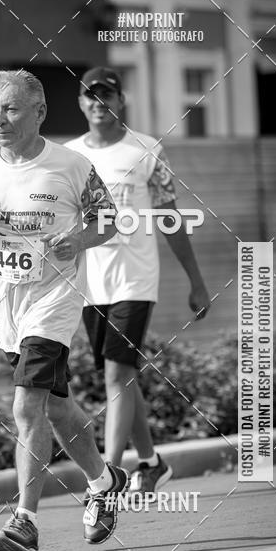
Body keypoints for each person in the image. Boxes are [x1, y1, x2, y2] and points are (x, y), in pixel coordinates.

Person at [0, 69, 128, 551]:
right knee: (54, 407)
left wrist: (79, 238)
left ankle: (25, 520)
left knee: (26, 406)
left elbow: (108, 220)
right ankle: (104, 479)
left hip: (56, 297)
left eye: (11, 109)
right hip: (6, 300)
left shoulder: (71, 165)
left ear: (39, 112)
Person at [66, 67, 211, 495]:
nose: (98, 102)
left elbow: (171, 217)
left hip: (136, 280)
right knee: (123, 377)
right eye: (90, 95)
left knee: (116, 374)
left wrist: (196, 282)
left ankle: (108, 477)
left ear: (120, 99)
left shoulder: (148, 150)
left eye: (106, 94)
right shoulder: (70, 156)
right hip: (92, 284)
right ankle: (150, 462)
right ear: (80, 103)